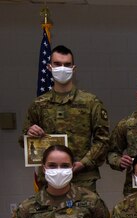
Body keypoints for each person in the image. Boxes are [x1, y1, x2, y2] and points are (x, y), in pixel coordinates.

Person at [21, 45, 110, 192]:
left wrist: (83, 163)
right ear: (49, 67)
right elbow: (23, 140)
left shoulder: (90, 102)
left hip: (82, 178)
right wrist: (30, 133)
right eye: (57, 64)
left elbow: (103, 140)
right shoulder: (39, 104)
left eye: (67, 64)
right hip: (50, 178)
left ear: (73, 69)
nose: (62, 68)